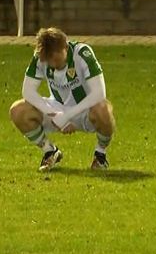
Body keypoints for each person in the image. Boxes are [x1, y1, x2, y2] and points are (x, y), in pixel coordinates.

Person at [9, 27, 115, 172]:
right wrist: (54, 114)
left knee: (103, 109)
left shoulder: (82, 53)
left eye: (56, 59)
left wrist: (67, 116)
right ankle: (50, 151)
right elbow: (27, 91)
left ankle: (100, 154)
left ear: (65, 46)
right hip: (57, 109)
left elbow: (99, 93)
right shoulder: (40, 56)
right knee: (18, 110)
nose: (52, 64)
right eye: (49, 60)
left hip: (85, 110)